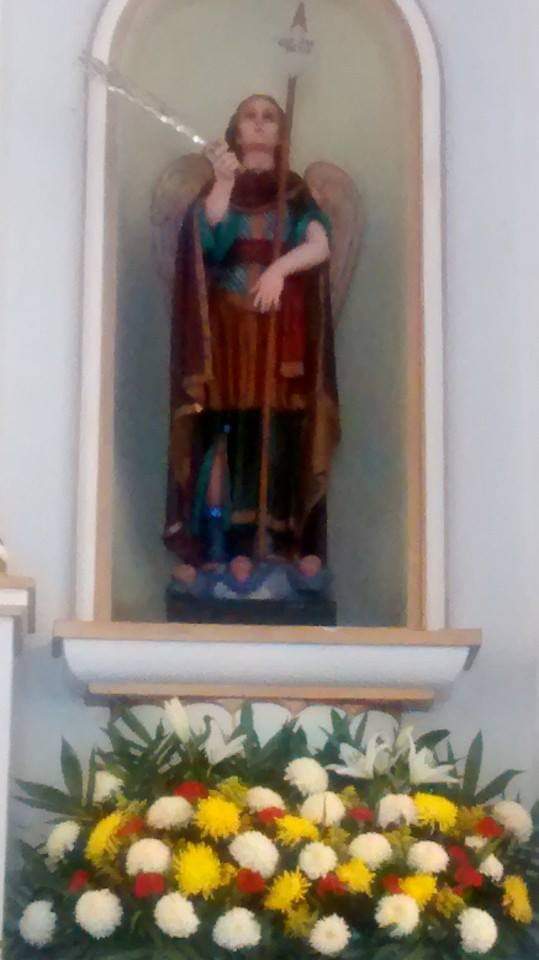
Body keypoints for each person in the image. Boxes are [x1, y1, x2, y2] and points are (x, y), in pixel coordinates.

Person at [164, 94, 340, 569]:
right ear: (236, 130)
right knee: (228, 426)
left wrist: (280, 268)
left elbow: (320, 245)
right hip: (228, 334)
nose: (260, 125)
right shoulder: (220, 185)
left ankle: (280, 538)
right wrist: (224, 181)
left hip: (280, 334)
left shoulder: (294, 191)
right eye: (250, 117)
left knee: (278, 428)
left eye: (269, 118)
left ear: (281, 134)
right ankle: (225, 541)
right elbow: (206, 241)